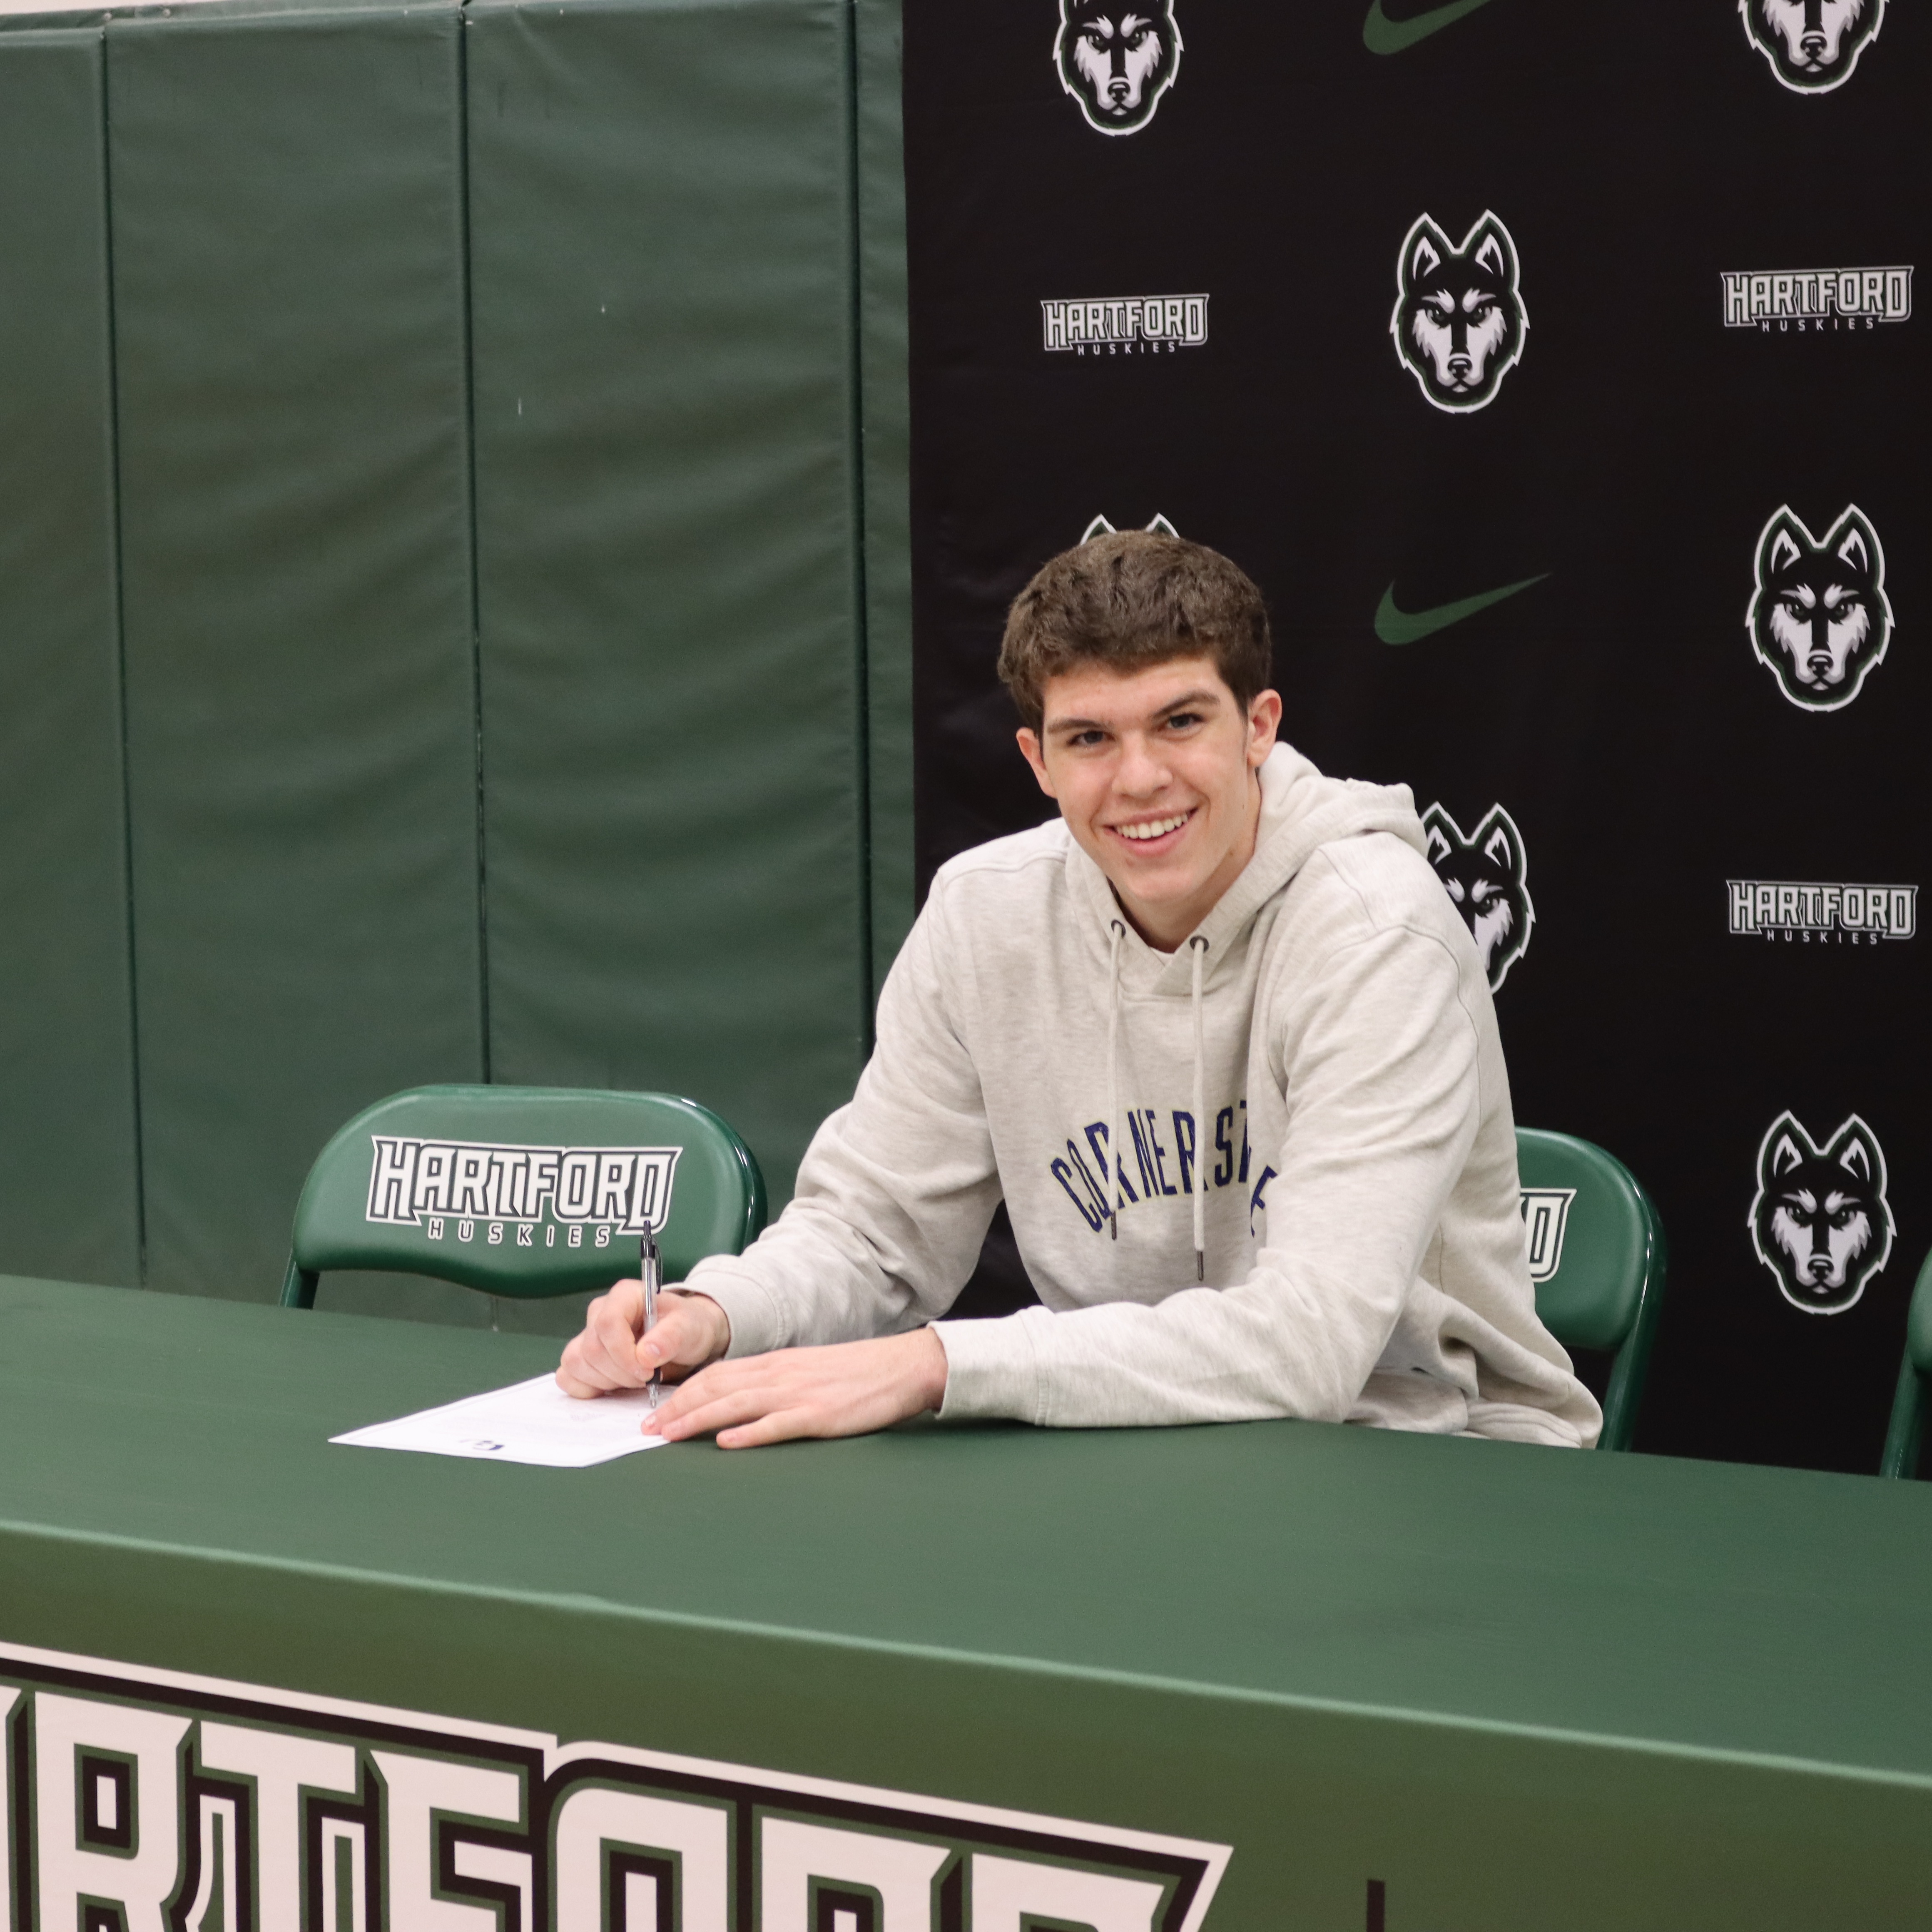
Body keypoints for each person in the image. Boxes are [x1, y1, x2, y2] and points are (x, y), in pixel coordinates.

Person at [558, 533, 1600, 1449]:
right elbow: (872, 1234)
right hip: (1132, 1445)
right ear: (1036, 760)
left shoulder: (1375, 931)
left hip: (1439, 1455)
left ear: (1259, 725)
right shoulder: (984, 915)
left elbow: (1310, 1347)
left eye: (1180, 721)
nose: (1139, 778)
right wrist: (714, 1310)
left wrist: (937, 1367)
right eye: (1090, 739)